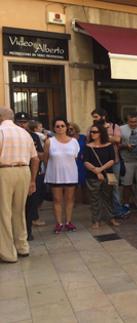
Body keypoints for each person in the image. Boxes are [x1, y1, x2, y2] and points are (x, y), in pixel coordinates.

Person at [0, 108, 39, 263]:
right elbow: (35, 159)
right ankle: (22, 247)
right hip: (24, 171)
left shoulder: (1, 131)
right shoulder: (25, 133)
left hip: (4, 171)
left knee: (4, 212)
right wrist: (33, 181)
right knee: (19, 211)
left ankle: (8, 253)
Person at [44, 117, 80, 233]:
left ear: (66, 127)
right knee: (57, 199)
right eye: (57, 126)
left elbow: (75, 157)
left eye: (62, 126)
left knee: (70, 199)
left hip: (70, 174)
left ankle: (68, 222)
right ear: (54, 128)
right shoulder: (49, 141)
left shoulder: (74, 141)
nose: (60, 128)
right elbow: (46, 159)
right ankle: (59, 223)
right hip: (55, 175)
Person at [84, 123, 119, 229]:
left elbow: (112, 160)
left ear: (101, 133)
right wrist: (97, 171)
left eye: (95, 132)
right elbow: (86, 162)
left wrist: (101, 169)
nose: (92, 134)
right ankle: (96, 220)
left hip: (107, 175)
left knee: (108, 197)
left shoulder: (108, 145)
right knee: (95, 199)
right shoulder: (88, 146)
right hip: (93, 176)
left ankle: (111, 218)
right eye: (91, 132)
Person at [15, 113, 44, 241]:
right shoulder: (12, 136)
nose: (22, 124)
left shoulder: (33, 137)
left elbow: (41, 155)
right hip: (17, 171)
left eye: (24, 122)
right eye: (19, 122)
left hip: (32, 172)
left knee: (31, 204)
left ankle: (28, 231)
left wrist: (33, 152)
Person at [89, 109, 123, 217]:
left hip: (114, 163)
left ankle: (116, 212)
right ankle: (101, 214)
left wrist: (102, 134)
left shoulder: (114, 127)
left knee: (114, 187)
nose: (94, 119)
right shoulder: (91, 129)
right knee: (98, 190)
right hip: (97, 165)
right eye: (93, 117)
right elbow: (89, 141)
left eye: (96, 117)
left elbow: (117, 139)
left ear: (103, 117)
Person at [119, 113, 137, 214]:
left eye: (135, 122)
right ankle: (126, 204)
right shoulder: (121, 129)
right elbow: (117, 144)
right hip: (127, 160)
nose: (133, 124)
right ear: (127, 120)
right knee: (127, 184)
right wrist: (126, 146)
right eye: (131, 122)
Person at [68, 122, 88, 204]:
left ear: (76, 129)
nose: (69, 131)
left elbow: (88, 147)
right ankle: (73, 201)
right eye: (68, 129)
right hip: (72, 162)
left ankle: (86, 200)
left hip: (82, 161)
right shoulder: (66, 138)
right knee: (73, 182)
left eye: (71, 129)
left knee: (84, 181)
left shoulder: (83, 137)